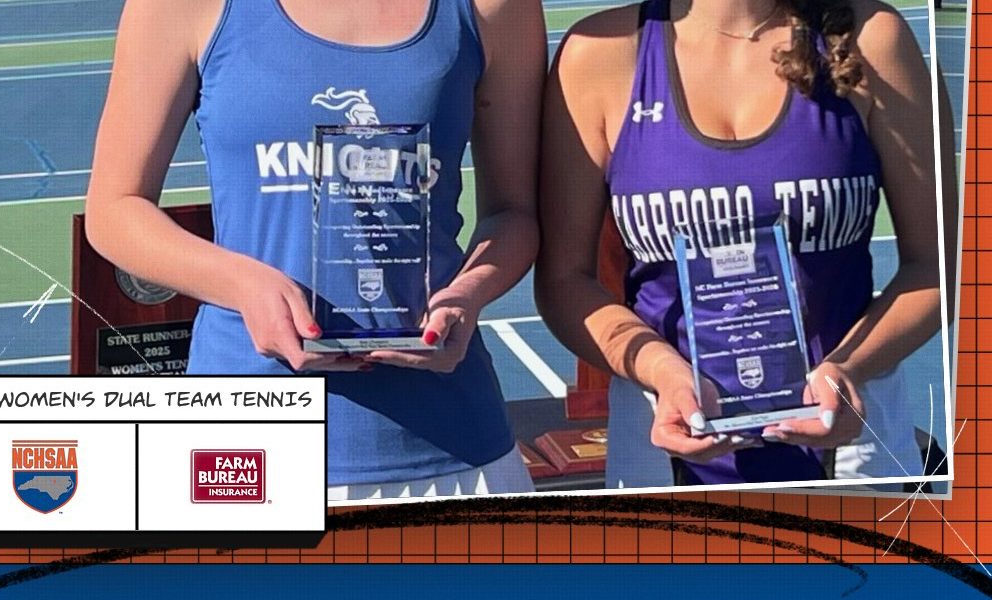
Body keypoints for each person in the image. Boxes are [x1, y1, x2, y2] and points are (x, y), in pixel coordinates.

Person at [84, 0, 546, 499]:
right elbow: (114, 209)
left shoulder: (494, 8)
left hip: (452, 439)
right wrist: (244, 285)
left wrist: (468, 293)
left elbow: (514, 214)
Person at [536, 0, 948, 486]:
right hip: (663, 443)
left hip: (852, 444)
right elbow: (564, 281)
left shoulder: (872, 39)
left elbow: (939, 265)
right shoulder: (599, 54)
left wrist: (850, 367)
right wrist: (663, 371)